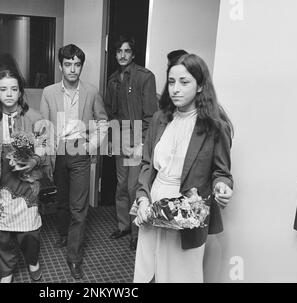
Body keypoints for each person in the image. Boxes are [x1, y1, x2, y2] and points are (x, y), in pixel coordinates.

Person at [134, 54, 234, 283]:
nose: (175, 89)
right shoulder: (160, 118)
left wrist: (222, 187)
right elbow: (147, 165)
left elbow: (222, 173)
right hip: (152, 205)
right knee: (147, 270)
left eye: (184, 82)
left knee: (180, 276)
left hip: (187, 213)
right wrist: (142, 199)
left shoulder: (215, 126)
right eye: (171, 82)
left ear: (200, 85)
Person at [40, 44, 108, 279]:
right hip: (58, 152)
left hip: (80, 151)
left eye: (77, 64)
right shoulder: (49, 92)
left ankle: (74, 258)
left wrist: (91, 146)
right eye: (68, 64)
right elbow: (44, 127)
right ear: (60, 66)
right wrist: (44, 158)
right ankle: (62, 233)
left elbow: (102, 121)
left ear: (81, 66)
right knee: (61, 201)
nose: (72, 69)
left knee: (79, 208)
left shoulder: (91, 91)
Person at [0, 69, 52, 283]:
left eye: (14, 89)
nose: (9, 94)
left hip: (27, 183)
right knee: (1, 234)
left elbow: (45, 145)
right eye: (3, 89)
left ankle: (32, 261)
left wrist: (33, 161)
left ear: (20, 92)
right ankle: (6, 272)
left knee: (29, 232)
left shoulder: (35, 117)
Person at [104, 35, 158, 250]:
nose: (122, 55)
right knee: (121, 186)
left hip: (137, 139)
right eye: (119, 51)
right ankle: (123, 225)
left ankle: (136, 232)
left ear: (133, 54)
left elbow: (151, 116)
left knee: (134, 186)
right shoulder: (113, 80)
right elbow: (110, 113)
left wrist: (142, 144)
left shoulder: (145, 77)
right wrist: (111, 140)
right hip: (120, 137)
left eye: (127, 51)